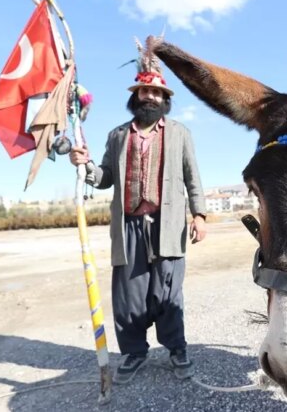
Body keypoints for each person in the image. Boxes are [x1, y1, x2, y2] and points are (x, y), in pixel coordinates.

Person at [70, 38, 207, 384]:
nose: (150, 97)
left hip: (168, 223)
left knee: (168, 291)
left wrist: (200, 215)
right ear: (136, 97)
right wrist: (85, 165)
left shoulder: (180, 134)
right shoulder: (117, 136)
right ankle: (133, 352)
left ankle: (176, 348)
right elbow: (103, 179)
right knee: (129, 295)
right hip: (128, 225)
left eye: (157, 94)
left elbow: (193, 177)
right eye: (145, 93)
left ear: (165, 101)